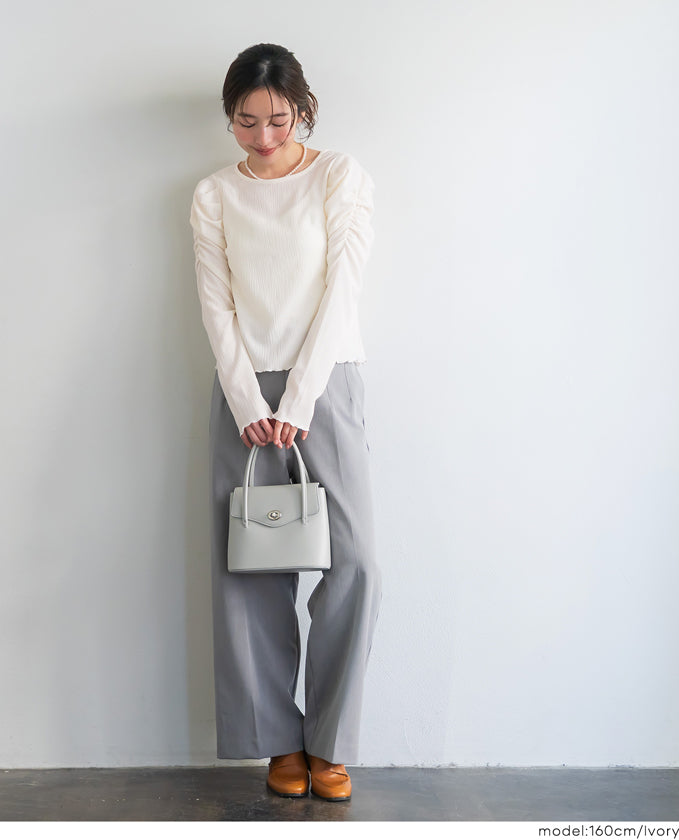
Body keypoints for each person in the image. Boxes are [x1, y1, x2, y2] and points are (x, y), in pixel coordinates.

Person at [189, 43, 382, 802]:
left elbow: (343, 291)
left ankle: (330, 742)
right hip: (243, 395)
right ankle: (278, 741)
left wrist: (297, 403)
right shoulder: (214, 194)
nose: (264, 137)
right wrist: (249, 403)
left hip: (326, 386)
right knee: (251, 568)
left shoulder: (339, 176)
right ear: (229, 118)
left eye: (278, 119)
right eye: (246, 122)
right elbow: (216, 305)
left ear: (302, 109)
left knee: (355, 561)